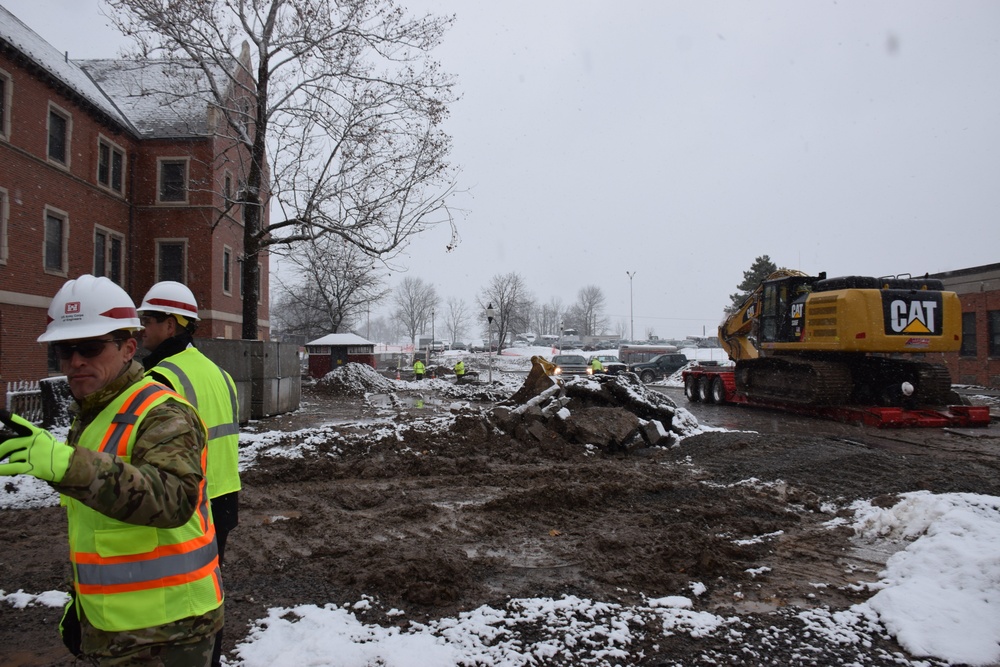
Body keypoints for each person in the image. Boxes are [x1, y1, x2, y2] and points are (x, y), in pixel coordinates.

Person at [0, 275, 222, 666]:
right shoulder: (93, 413)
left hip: (170, 630)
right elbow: (102, 530)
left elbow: (173, 499)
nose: (75, 361)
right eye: (63, 351)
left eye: (90, 346)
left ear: (128, 349)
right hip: (115, 625)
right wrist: (84, 605)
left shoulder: (163, 411)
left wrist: (69, 465)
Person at [136, 281, 240, 667]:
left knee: (178, 598)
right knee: (208, 590)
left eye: (149, 319)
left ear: (172, 325)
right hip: (225, 495)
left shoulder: (160, 379)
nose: (142, 328)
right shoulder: (219, 374)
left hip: (189, 502)